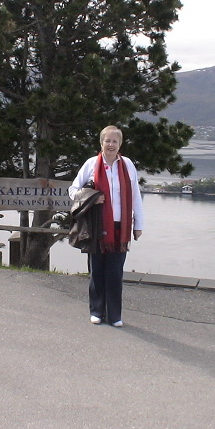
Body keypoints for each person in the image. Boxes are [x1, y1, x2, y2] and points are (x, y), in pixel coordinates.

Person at [69, 125, 144, 327]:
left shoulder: (127, 165)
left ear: (120, 144)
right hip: (97, 226)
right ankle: (96, 311)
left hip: (121, 228)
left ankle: (114, 315)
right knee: (97, 271)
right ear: (101, 143)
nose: (111, 145)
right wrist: (92, 198)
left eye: (114, 141)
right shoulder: (91, 164)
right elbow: (73, 190)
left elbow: (135, 196)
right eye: (107, 141)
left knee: (115, 273)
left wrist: (138, 224)